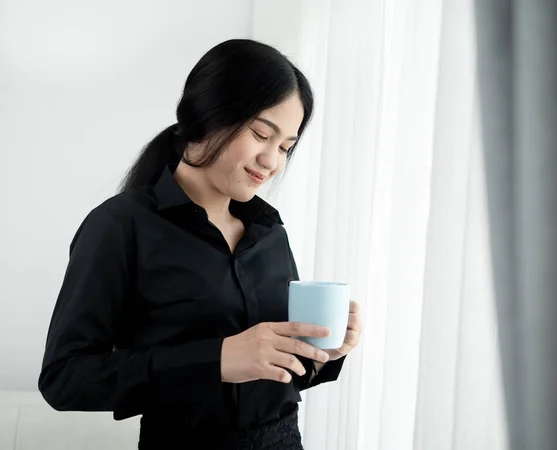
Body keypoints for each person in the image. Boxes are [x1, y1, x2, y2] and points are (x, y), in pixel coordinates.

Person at [38, 39, 363, 450]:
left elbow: (277, 370)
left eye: (285, 147)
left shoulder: (268, 231)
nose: (272, 161)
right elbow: (65, 379)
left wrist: (324, 354)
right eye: (261, 134)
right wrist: (218, 360)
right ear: (209, 114)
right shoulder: (120, 225)